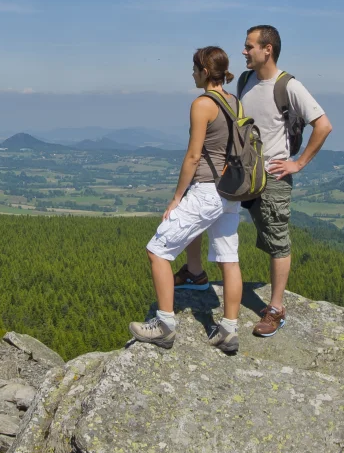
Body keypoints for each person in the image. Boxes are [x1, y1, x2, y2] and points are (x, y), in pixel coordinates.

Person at [178, 25, 332, 337]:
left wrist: (298, 163)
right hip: (237, 170)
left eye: (249, 47)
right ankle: (195, 272)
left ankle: (275, 309)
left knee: (276, 239)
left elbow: (323, 125)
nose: (244, 52)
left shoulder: (288, 86)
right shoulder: (247, 80)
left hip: (270, 176)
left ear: (267, 50)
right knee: (200, 215)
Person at [129, 46, 243, 353]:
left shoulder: (203, 104)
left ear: (205, 72)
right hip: (230, 194)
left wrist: (177, 197)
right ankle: (229, 329)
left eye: (194, 69)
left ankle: (165, 326)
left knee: (157, 251)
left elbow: (193, 156)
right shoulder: (234, 102)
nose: (192, 74)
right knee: (229, 259)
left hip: (206, 191)